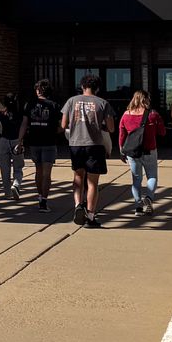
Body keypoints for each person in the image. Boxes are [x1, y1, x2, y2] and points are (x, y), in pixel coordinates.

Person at [61, 73, 114, 227]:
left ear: (82, 86)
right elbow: (111, 127)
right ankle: (90, 216)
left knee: (78, 177)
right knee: (92, 182)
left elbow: (64, 125)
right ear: (97, 88)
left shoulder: (71, 101)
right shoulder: (103, 103)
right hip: (95, 144)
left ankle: (78, 205)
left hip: (76, 143)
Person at [116, 89, 166, 216]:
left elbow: (122, 135)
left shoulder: (125, 115)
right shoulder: (153, 114)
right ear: (147, 99)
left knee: (136, 180)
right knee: (152, 176)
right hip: (150, 150)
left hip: (132, 152)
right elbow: (162, 132)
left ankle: (138, 207)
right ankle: (149, 198)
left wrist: (121, 150)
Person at [18, 80, 60, 210]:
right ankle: (44, 201)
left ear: (37, 91)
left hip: (34, 141)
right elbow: (61, 126)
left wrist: (20, 140)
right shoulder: (54, 105)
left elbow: (24, 123)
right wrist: (53, 130)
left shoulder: (29, 104)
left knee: (38, 170)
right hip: (49, 141)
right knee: (47, 173)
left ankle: (40, 196)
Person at [0, 91, 25, 200]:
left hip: (4, 139)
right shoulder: (19, 113)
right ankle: (16, 184)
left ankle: (7, 193)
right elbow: (24, 127)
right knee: (18, 166)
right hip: (16, 139)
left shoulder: (1, 113)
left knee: (4, 168)